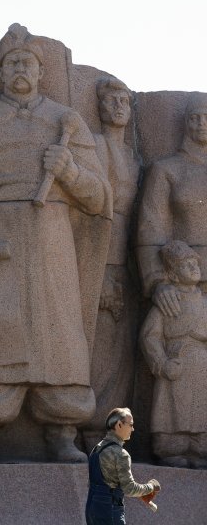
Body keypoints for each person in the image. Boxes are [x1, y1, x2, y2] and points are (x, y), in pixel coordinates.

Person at [0, 23, 112, 463]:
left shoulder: (66, 122)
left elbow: (99, 198)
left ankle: (62, 430)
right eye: (11, 62)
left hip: (52, 239)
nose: (19, 69)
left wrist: (69, 172)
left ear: (40, 72)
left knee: (58, 337)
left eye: (27, 63)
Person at [84, 77, 142, 451]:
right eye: (111, 100)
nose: (119, 107)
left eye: (124, 100)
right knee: (98, 349)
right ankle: (89, 428)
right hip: (98, 256)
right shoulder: (94, 146)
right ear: (100, 107)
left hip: (127, 262)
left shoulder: (135, 159)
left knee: (120, 353)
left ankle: (113, 429)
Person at [138, 92, 207, 317]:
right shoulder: (166, 169)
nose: (202, 124)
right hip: (185, 287)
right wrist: (158, 281)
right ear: (185, 123)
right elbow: (151, 230)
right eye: (195, 117)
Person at [140, 241, 207, 468]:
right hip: (176, 364)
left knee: (201, 409)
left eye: (194, 263)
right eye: (185, 264)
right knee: (172, 409)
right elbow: (150, 336)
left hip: (202, 365)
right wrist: (162, 363)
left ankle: (199, 449)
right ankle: (171, 448)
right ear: (173, 275)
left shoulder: (205, 303)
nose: (193, 267)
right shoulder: (166, 304)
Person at [85, 407, 160, 525]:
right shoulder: (121, 454)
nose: (133, 429)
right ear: (119, 425)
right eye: (130, 425)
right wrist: (151, 486)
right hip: (110, 510)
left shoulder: (96, 449)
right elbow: (130, 489)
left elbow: (104, 483)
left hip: (92, 508)